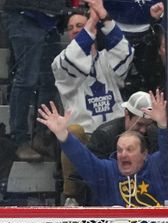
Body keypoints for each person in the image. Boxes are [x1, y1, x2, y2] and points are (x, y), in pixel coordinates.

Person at [51, 0, 133, 205]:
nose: (75, 31)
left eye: (80, 25)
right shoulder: (60, 63)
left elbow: (125, 52)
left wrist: (103, 17)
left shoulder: (107, 58)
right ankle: (72, 198)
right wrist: (92, 21)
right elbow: (72, 58)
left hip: (114, 135)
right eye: (71, 28)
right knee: (73, 131)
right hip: (85, 140)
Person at [36, 90, 168, 206]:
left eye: (130, 149)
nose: (123, 154)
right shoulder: (107, 171)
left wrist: (163, 125)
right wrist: (63, 134)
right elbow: (83, 159)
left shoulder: (154, 165)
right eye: (120, 150)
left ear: (144, 154)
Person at [1, 0, 65, 162]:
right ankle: (19, 140)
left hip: (48, 17)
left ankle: (40, 136)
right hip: (25, 12)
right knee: (27, 79)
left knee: (50, 80)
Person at [87, 90, 159, 162]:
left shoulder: (153, 133)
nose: (143, 130)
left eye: (148, 125)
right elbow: (92, 168)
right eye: (139, 124)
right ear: (127, 114)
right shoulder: (103, 135)